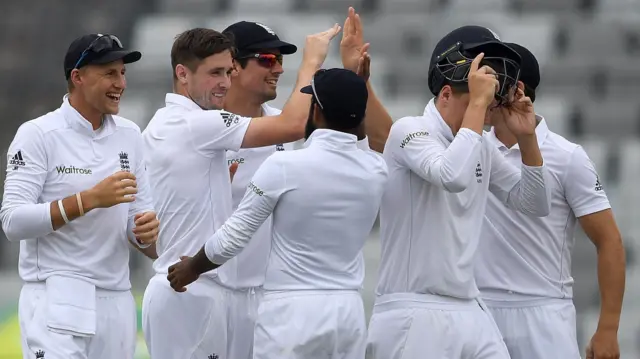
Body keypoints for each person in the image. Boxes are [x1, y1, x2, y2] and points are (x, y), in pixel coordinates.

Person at [141, 25, 342, 359]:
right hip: (193, 287)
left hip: (237, 293)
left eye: (227, 71)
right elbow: (294, 125)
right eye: (216, 72)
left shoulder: (182, 126)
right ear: (182, 74)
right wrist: (312, 62)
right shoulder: (196, 123)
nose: (224, 81)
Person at [167, 68, 388, 359]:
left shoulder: (284, 165)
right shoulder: (376, 170)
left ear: (317, 112)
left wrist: (192, 268)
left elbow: (235, 235)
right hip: (349, 313)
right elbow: (359, 141)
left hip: (292, 313)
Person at [366, 25, 553, 359]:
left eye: (489, 96)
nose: (487, 106)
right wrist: (480, 106)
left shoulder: (477, 144)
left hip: (469, 307)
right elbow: (451, 174)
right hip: (414, 311)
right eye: (476, 96)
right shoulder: (410, 131)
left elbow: (535, 204)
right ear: (447, 94)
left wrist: (527, 139)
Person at [218, 8, 392, 358]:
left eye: (281, 60)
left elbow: (368, 142)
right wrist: (312, 62)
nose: (278, 68)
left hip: (276, 300)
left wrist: (357, 81)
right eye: (267, 59)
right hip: (218, 291)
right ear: (232, 65)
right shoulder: (200, 127)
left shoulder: (291, 131)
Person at [0, 33, 159, 359]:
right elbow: (13, 222)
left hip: (118, 301)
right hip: (56, 297)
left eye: (123, 73)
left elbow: (136, 223)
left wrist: (147, 234)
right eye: (110, 73)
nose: (121, 83)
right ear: (78, 77)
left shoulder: (130, 134)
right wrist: (88, 200)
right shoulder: (38, 134)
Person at [476, 43, 625, 359]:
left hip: (543, 315)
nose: (477, 85)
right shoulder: (468, 146)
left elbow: (609, 240)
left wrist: (608, 328)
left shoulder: (568, 157)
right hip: (478, 313)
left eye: (490, 77)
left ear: (514, 89)